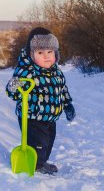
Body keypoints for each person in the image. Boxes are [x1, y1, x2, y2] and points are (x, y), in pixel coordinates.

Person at [6, 27, 76, 175]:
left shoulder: (56, 71)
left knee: (48, 142)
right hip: (32, 117)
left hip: (50, 117)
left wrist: (68, 104)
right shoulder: (27, 70)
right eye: (40, 53)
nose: (46, 56)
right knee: (39, 143)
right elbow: (11, 91)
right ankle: (36, 165)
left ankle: (41, 161)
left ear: (55, 53)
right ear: (31, 54)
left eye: (50, 52)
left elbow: (63, 89)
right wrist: (15, 85)